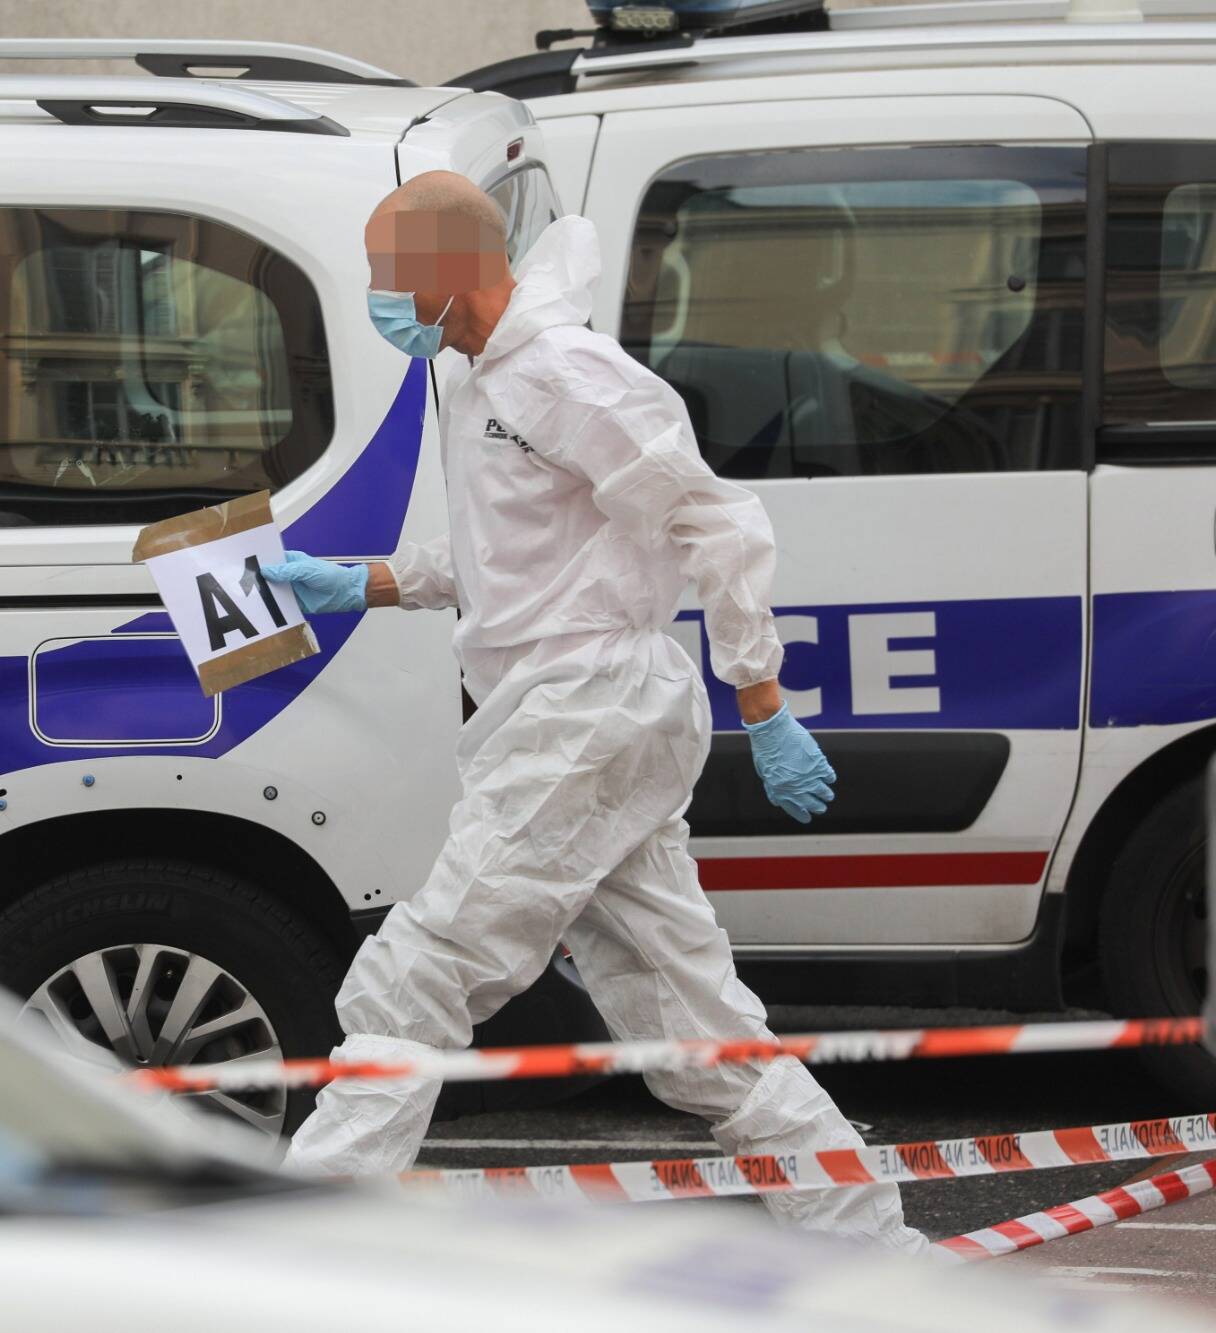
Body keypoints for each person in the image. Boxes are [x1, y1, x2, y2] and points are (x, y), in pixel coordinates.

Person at [262, 171, 924, 1252]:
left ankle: (301, 1235)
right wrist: (365, 582)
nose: (380, 296)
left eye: (390, 273)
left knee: (418, 970)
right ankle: (867, 1239)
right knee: (689, 1024)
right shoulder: (481, 378)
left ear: (447, 268)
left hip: (587, 711)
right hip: (555, 712)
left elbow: (718, 526)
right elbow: (510, 562)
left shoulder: (570, 377)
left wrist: (761, 699)